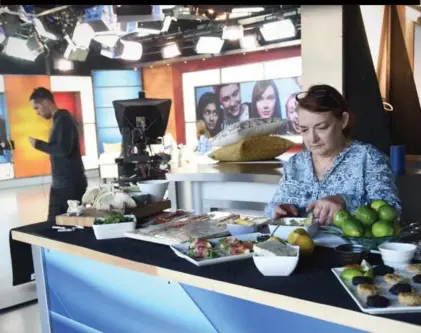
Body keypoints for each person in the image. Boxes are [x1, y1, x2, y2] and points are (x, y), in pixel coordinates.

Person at [265, 84, 401, 224]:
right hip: (298, 244)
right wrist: (279, 210)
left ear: (343, 120)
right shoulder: (295, 163)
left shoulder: (369, 158)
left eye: (322, 127)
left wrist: (345, 202)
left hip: (350, 245)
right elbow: (271, 208)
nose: (312, 138)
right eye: (304, 129)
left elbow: (392, 212)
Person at [28, 87, 87, 223]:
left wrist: (38, 144)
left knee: (63, 224)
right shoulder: (58, 119)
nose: (37, 113)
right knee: (55, 224)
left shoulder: (63, 118)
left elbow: (62, 149)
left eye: (37, 108)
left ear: (46, 103)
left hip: (69, 183)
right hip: (62, 182)